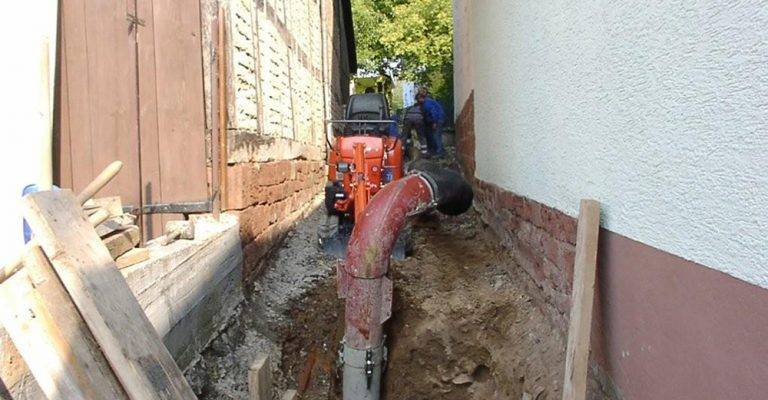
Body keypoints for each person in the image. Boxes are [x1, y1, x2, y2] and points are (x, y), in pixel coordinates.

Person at [416, 91, 445, 157]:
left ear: (421, 98)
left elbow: (433, 112)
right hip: (439, 118)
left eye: (418, 99)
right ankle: (440, 150)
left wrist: (434, 122)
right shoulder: (428, 102)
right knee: (436, 135)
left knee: (436, 136)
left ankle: (440, 152)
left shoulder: (427, 103)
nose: (418, 101)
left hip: (438, 120)